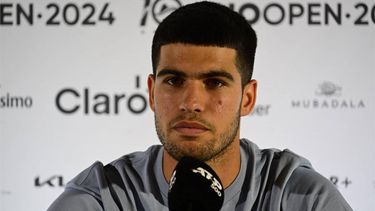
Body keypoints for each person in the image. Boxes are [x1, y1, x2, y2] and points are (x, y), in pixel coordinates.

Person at [48, 2, 352, 211]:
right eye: (174, 81)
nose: (191, 103)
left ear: (247, 98)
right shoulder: (104, 198)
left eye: (215, 83)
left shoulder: (299, 197)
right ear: (152, 93)